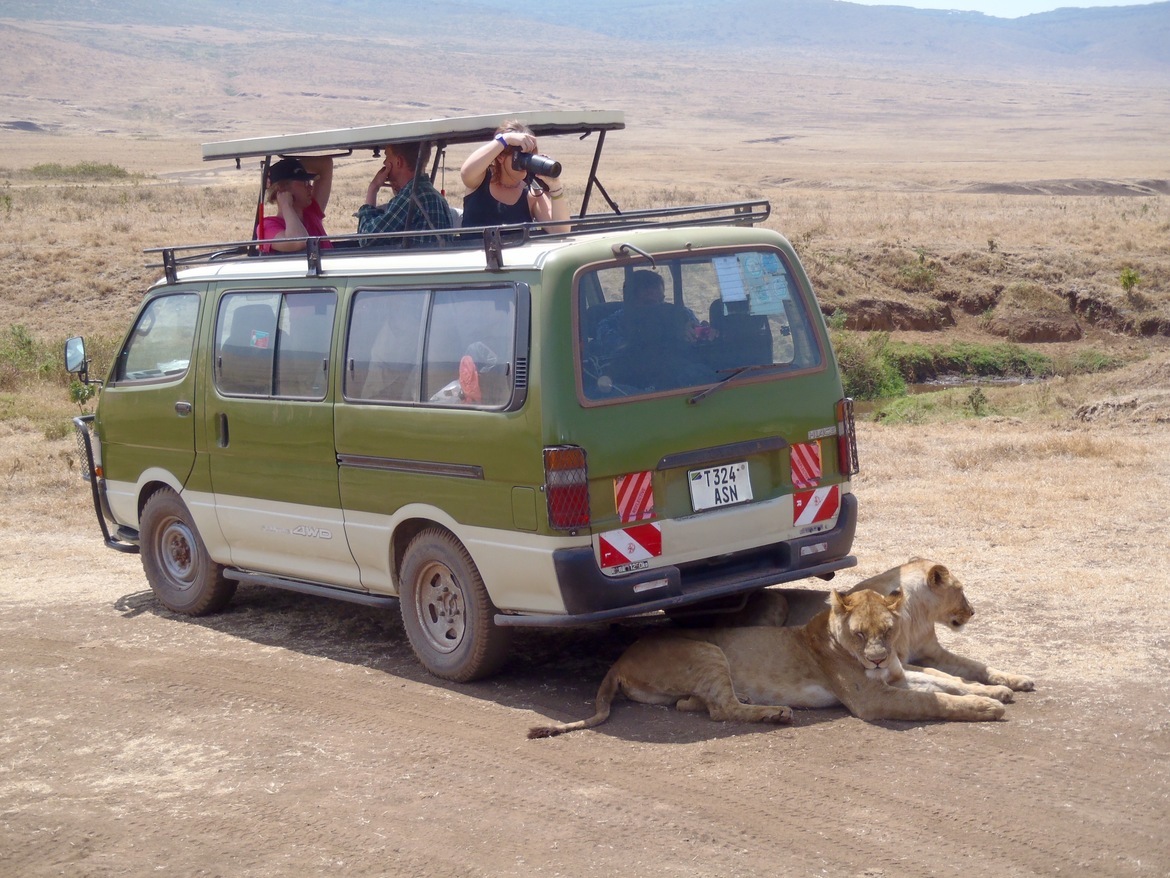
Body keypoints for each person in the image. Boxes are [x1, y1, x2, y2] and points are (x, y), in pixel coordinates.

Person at [460, 121, 569, 231]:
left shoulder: (532, 194)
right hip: (473, 248)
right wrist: (505, 139)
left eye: (530, 155)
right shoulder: (480, 180)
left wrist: (555, 186)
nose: (526, 162)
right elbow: (466, 172)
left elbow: (561, 230)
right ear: (500, 157)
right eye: (521, 156)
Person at [356, 141, 453, 248]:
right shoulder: (433, 195)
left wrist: (373, 188)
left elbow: (366, 239)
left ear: (399, 162)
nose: (384, 162)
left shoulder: (411, 197)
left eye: (387, 157)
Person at [258, 156, 333, 254]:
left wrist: (289, 166)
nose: (310, 187)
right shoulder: (268, 226)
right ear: (282, 188)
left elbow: (325, 163)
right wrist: (286, 205)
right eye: (305, 183)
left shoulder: (311, 212)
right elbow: (299, 241)